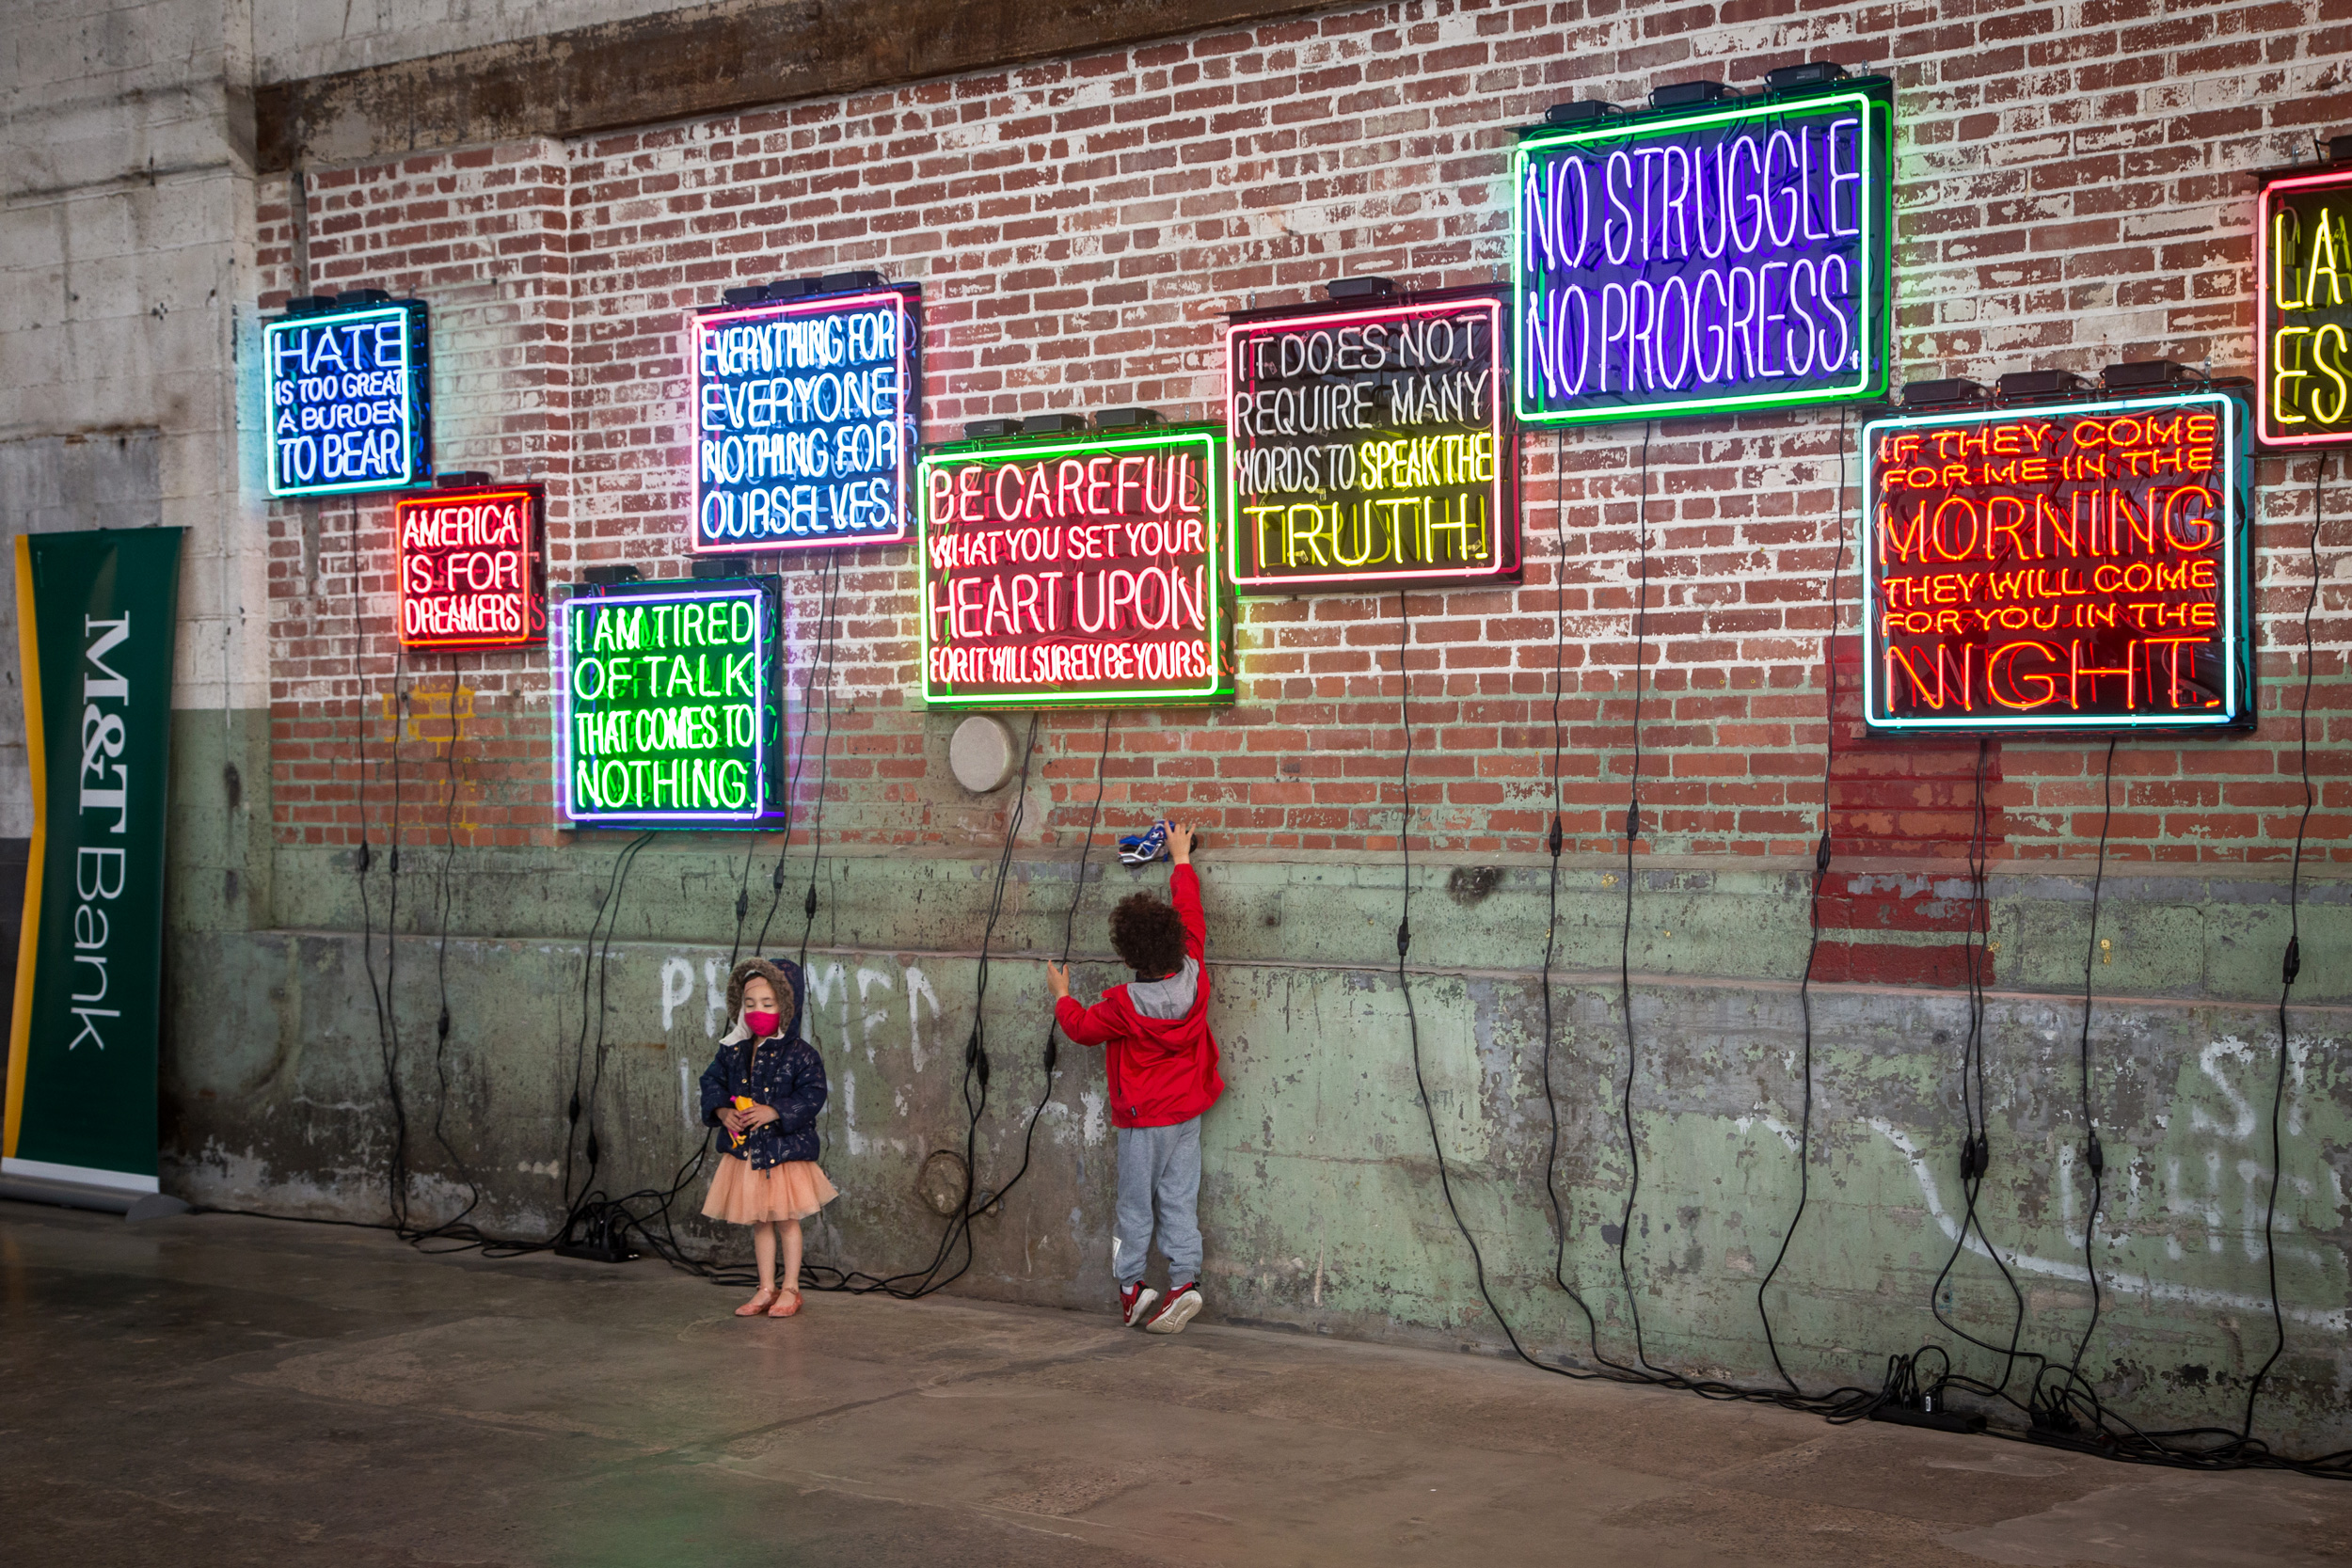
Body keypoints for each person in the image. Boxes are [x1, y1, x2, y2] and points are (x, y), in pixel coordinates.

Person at [1047, 819, 1224, 1335]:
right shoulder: (1195, 969)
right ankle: (1184, 1280)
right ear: (1175, 942)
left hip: (1143, 1122)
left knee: (1133, 1204)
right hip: (1187, 1112)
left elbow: (1080, 1028)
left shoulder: (1123, 1005)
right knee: (1179, 1199)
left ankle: (1131, 1287)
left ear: (1127, 958)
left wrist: (1061, 993)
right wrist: (1181, 858)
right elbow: (1192, 912)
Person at [699, 957, 838, 1318]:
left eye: (767, 1003)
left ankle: (791, 1287)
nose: (756, 1011)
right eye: (749, 1004)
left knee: (786, 1221)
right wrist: (721, 1111)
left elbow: (812, 1095)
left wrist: (774, 1111)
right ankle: (765, 1287)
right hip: (747, 1152)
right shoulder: (733, 1049)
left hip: (783, 1153)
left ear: (786, 1007)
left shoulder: (801, 1055)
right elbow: (711, 1081)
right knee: (760, 1221)